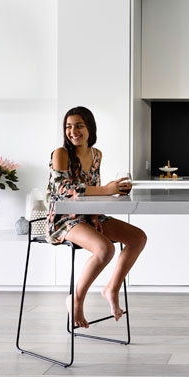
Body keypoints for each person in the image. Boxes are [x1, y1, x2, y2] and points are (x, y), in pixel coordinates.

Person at [47, 106, 147, 328]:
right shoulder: (60, 154)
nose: (73, 131)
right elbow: (64, 189)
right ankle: (76, 299)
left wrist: (94, 215)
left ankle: (111, 288)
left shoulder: (96, 154)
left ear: (90, 128)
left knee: (138, 237)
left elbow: (93, 187)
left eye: (79, 126)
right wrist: (108, 190)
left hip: (87, 216)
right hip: (63, 220)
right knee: (105, 249)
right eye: (68, 127)